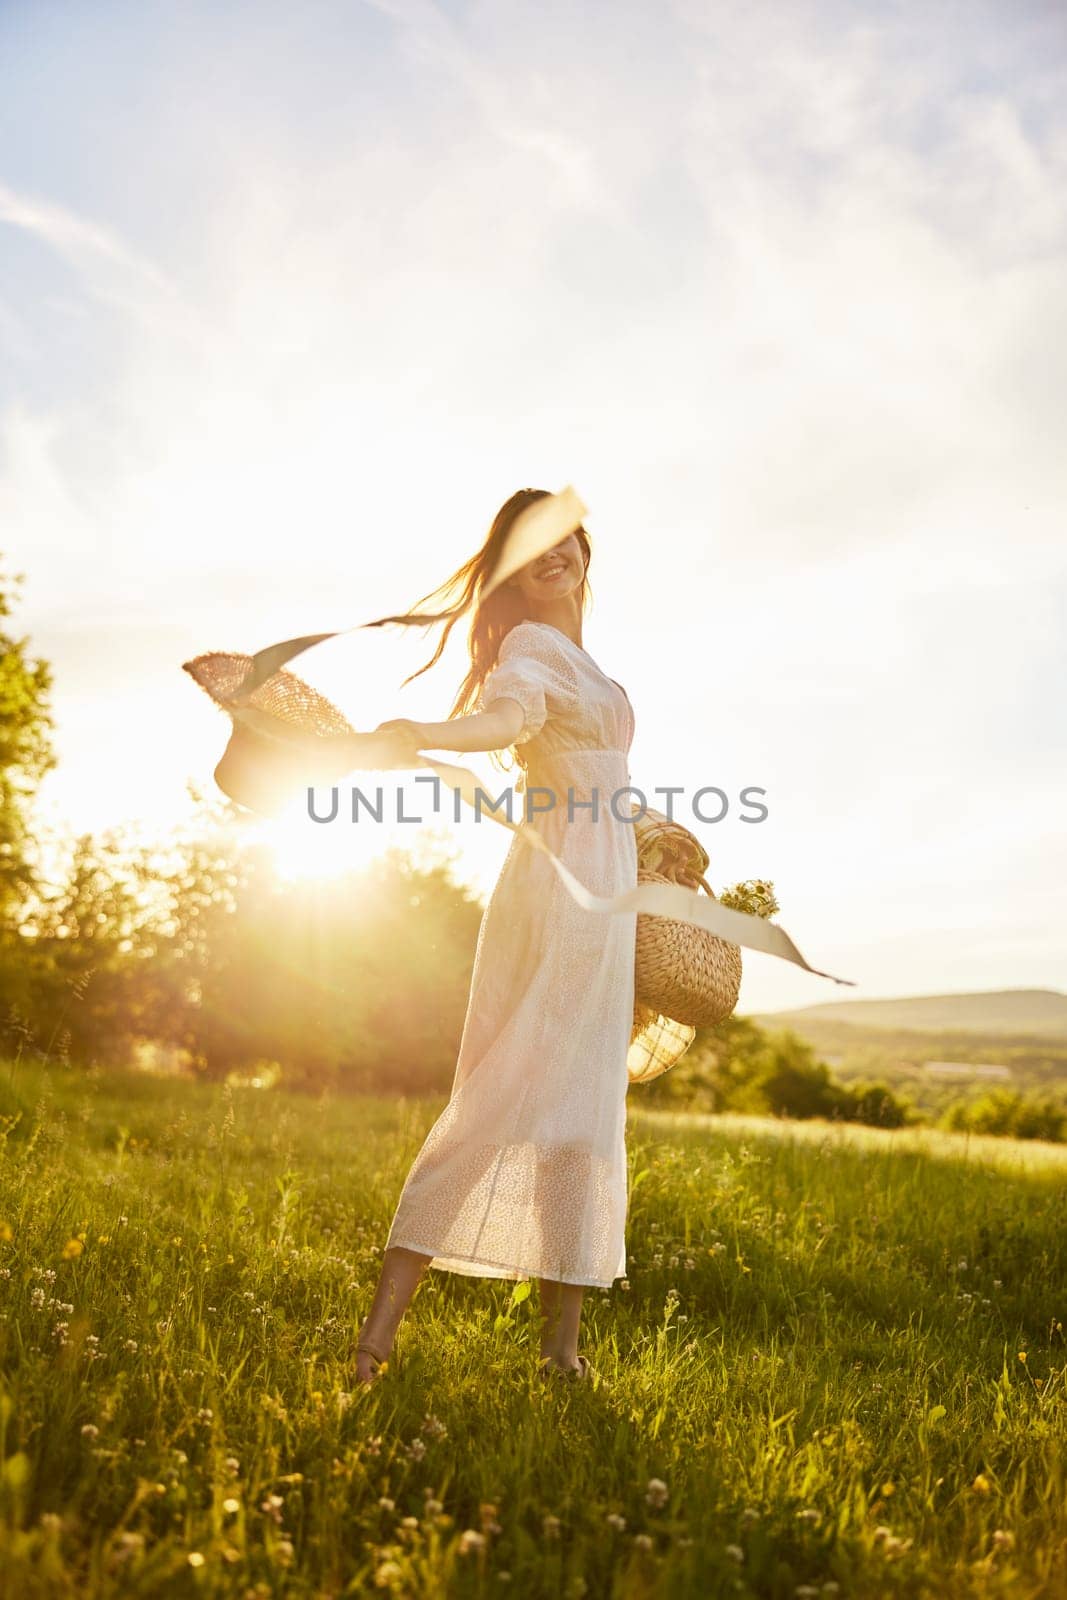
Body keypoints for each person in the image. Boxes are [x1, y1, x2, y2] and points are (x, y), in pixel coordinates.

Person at [354, 488, 638, 1384]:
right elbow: (508, 720)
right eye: (526, 550)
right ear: (512, 574)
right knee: (508, 1089)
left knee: (580, 1111)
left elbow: (597, 770)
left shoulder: (590, 667)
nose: (547, 557)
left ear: (583, 546)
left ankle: (560, 1354)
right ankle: (373, 1345)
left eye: (557, 540)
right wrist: (422, 733)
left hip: (609, 880)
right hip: (565, 883)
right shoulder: (530, 646)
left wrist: (653, 836)